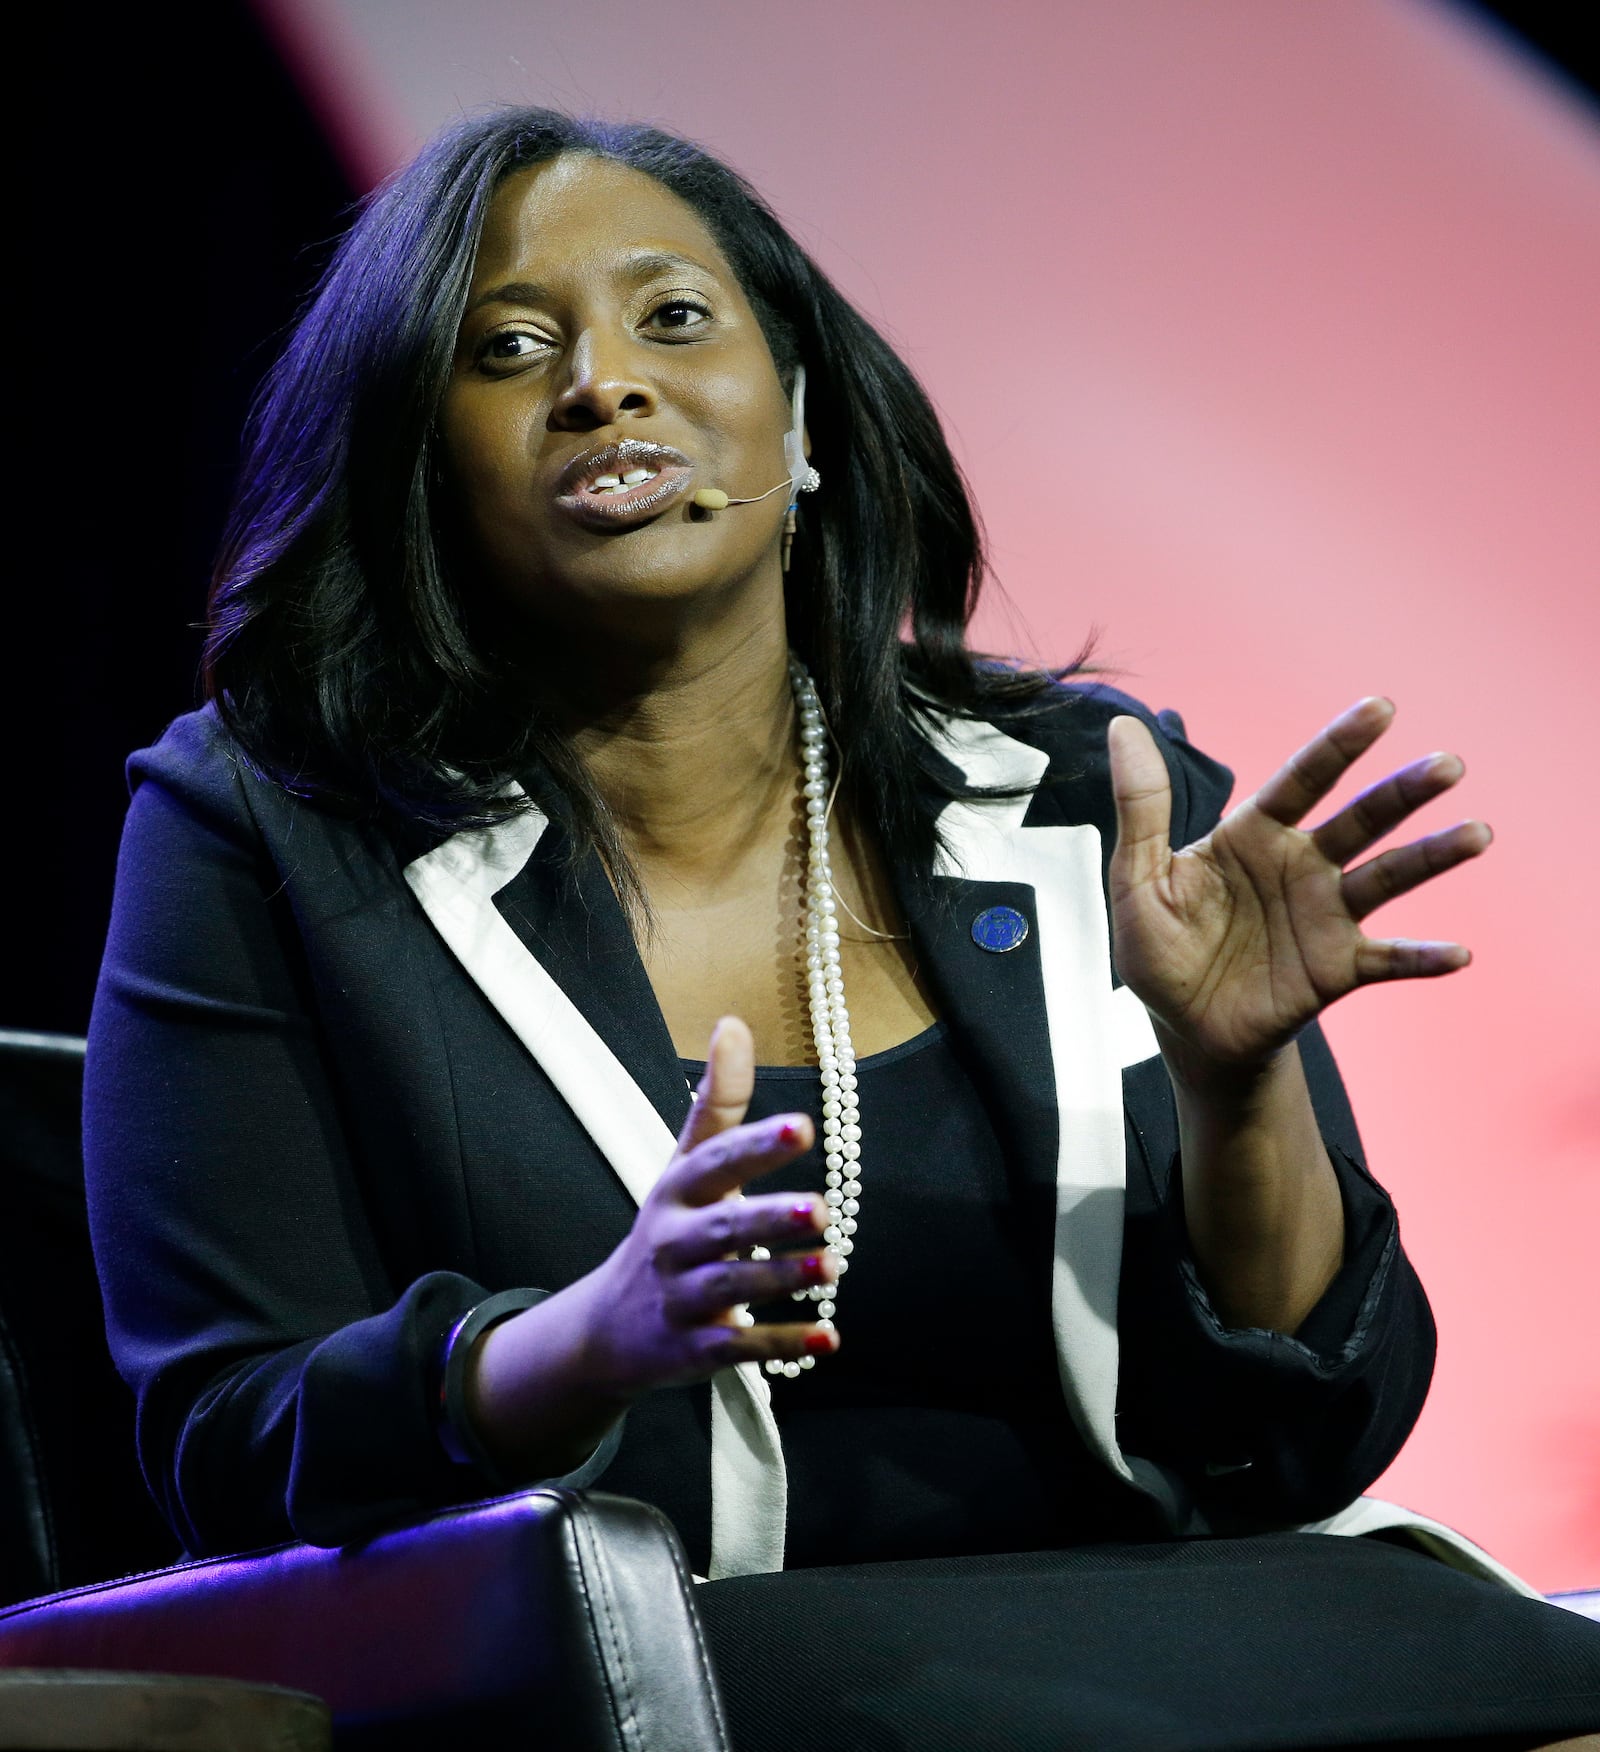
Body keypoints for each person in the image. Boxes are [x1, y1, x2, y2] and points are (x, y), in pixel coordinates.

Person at [85, 108, 1598, 1748]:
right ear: (418, 471)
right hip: (643, 1678)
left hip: (1156, 1626)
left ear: (798, 418)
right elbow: (231, 1444)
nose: (602, 381)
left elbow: (1312, 1440)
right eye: (511, 350)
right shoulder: (269, 831)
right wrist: (576, 1345)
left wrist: (1242, 1089)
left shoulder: (1095, 794)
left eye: (674, 318)